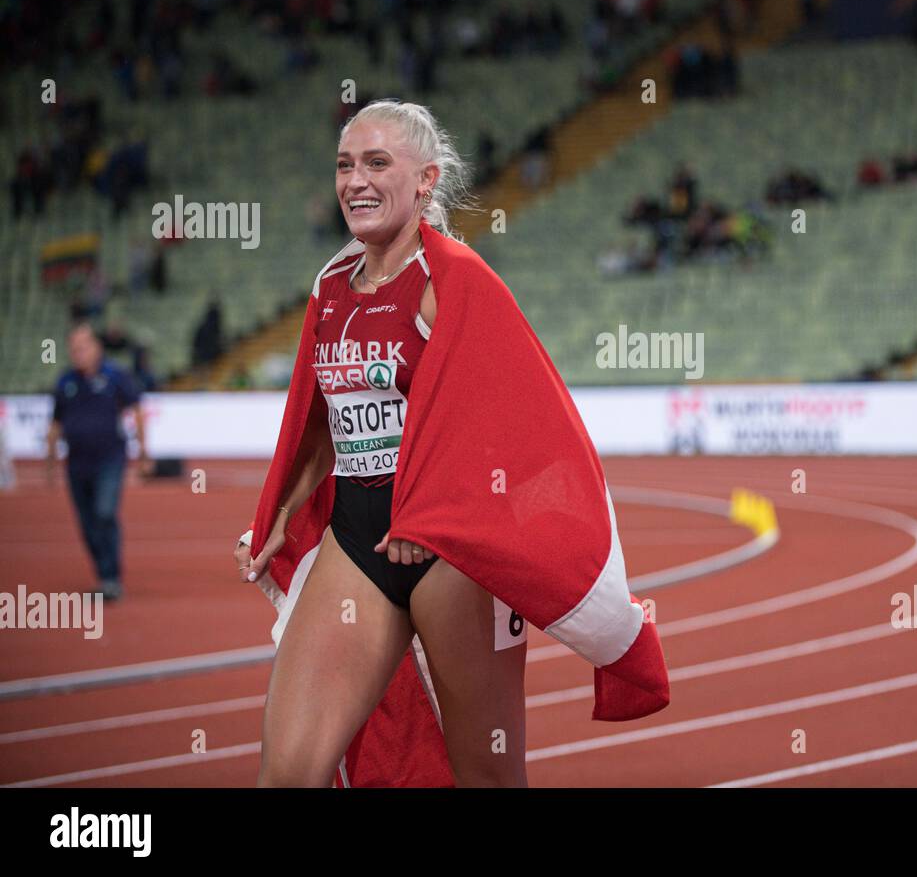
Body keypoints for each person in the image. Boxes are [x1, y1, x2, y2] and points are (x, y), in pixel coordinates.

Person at [234, 100, 667, 789]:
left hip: (452, 555)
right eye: (345, 165)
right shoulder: (330, 289)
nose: (356, 181)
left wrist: (431, 509)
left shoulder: (455, 282)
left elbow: (514, 425)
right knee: (289, 774)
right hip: (357, 540)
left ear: (426, 180)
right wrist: (280, 515)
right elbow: (319, 425)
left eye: (378, 163)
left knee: (487, 775)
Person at [47, 323, 149, 599]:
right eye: (73, 348)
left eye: (83, 347)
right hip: (77, 464)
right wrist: (50, 462)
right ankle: (104, 575)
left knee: (104, 513)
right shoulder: (65, 381)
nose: (78, 353)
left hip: (110, 459)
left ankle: (112, 578)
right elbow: (55, 423)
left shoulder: (115, 375)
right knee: (87, 522)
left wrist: (142, 454)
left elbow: (137, 409)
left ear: (96, 347)